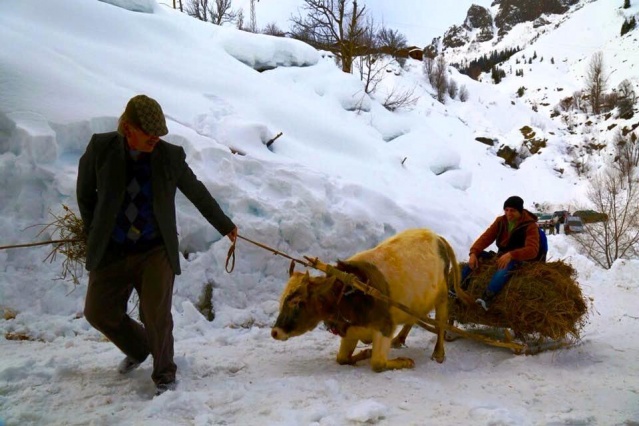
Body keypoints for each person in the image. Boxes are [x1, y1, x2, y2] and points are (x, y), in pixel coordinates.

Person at [76, 94, 237, 395]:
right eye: (149, 134)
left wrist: (224, 224)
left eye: (159, 134)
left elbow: (197, 192)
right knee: (97, 311)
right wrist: (94, 231)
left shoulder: (169, 157)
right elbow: (85, 194)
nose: (155, 140)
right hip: (113, 248)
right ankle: (139, 348)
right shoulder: (101, 148)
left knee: (156, 314)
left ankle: (164, 374)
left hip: (154, 249)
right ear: (127, 128)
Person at [460, 196, 540, 311]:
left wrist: (511, 255)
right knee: (478, 256)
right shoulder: (500, 221)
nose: (508, 213)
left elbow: (533, 250)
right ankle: (457, 288)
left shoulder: (530, 225)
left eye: (512, 210)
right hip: (502, 255)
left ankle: (486, 298)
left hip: (520, 259)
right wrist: (473, 252)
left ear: (520, 211)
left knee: (505, 266)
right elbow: (485, 238)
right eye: (506, 210)